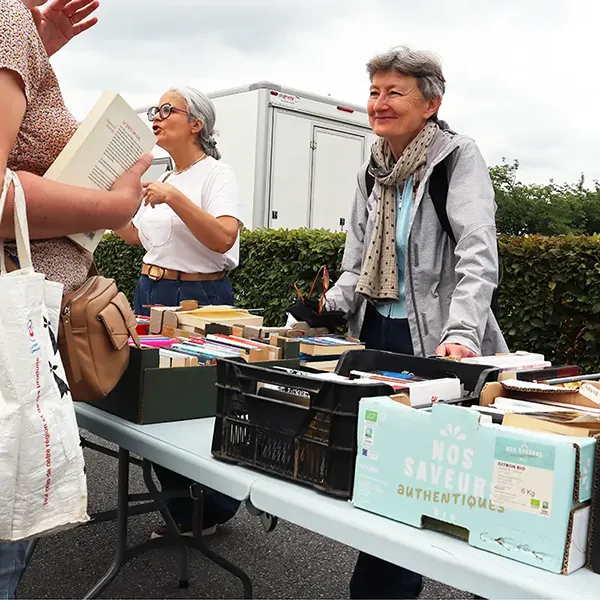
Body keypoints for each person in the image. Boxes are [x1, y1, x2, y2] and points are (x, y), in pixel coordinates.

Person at [290, 45, 508, 599]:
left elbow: (478, 258)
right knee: (378, 471)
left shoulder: (458, 158)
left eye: (394, 92)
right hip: (378, 337)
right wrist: (330, 306)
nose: (379, 103)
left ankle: (380, 590)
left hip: (435, 341)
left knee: (409, 478)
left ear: (431, 103)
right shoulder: (374, 165)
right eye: (373, 91)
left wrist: (461, 335)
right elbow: (356, 260)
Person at [0, 0, 152, 598]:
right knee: (6, 524)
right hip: (14, 331)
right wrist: (114, 207)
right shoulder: (7, 17)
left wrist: (34, 55)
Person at [115, 86, 243, 538]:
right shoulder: (163, 175)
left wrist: (173, 198)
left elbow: (223, 238)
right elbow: (139, 239)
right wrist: (109, 204)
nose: (156, 116)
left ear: (197, 124)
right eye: (155, 108)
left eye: (167, 109)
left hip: (199, 297)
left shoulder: (215, 174)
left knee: (191, 407)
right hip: (150, 290)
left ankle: (213, 507)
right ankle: (186, 509)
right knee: (148, 404)